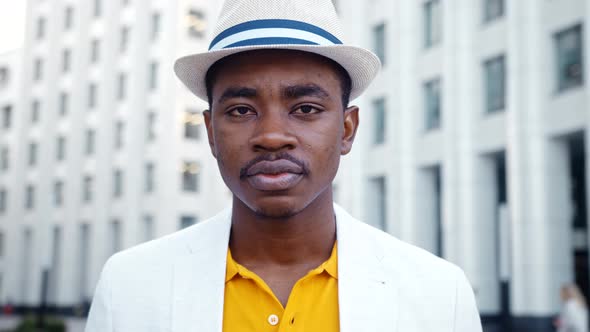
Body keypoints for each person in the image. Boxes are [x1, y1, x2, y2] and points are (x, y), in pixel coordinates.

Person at [85, 0, 483, 331]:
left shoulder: (438, 295)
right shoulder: (129, 287)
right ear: (210, 131)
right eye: (241, 110)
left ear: (347, 129)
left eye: (305, 108)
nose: (272, 135)